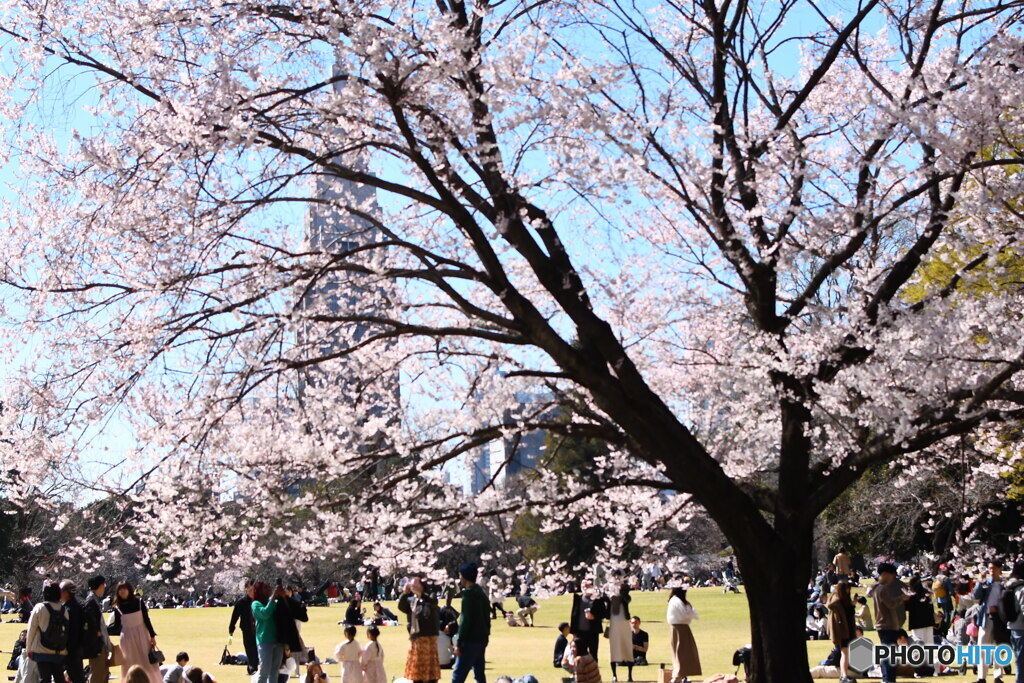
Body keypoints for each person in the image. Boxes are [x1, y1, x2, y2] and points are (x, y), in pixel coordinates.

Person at [109, 581, 162, 683]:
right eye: (120, 589)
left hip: (142, 635)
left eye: (124, 589)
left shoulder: (139, 602)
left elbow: (146, 619)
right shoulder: (117, 607)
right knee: (129, 662)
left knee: (147, 662)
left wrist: (152, 636)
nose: (122, 591)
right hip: (127, 639)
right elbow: (116, 627)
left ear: (129, 590)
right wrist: (103, 630)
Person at [867, 563, 907, 683]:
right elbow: (890, 603)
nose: (891, 579)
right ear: (884, 574)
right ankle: (888, 679)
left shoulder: (877, 587)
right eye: (891, 576)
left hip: (884, 625)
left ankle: (887, 678)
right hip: (886, 625)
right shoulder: (882, 588)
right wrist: (902, 598)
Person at [397, 576, 440, 683]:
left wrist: (421, 596)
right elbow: (401, 607)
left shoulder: (429, 596)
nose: (413, 586)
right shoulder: (410, 599)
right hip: (415, 637)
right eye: (412, 584)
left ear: (422, 586)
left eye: (415, 584)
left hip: (428, 636)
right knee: (416, 669)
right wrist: (405, 593)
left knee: (429, 668)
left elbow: (433, 604)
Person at [452, 562, 489, 683]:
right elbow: (486, 618)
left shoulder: (468, 596)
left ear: (465, 577)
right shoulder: (481, 594)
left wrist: (459, 641)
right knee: (479, 674)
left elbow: (465, 621)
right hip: (481, 639)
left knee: (458, 675)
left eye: (460, 575)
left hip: (469, 641)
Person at [975, 559, 1010, 683]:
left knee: (999, 647)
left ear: (1000, 569)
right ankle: (981, 677)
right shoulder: (986, 583)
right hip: (986, 617)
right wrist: (981, 580)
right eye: (989, 568)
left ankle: (997, 676)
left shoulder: (1004, 584)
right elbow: (976, 596)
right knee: (982, 647)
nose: (991, 571)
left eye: (993, 568)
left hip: (1000, 619)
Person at [25, 582, 68, 683]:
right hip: (59, 650)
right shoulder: (64, 609)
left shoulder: (40, 607)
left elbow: (31, 629)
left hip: (42, 650)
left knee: (45, 678)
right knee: (59, 678)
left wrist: (29, 648)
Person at [251, 582, 285, 683]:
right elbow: (265, 614)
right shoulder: (256, 604)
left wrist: (283, 597)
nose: (269, 589)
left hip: (278, 640)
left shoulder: (274, 601)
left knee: (274, 672)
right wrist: (273, 597)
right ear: (259, 591)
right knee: (264, 671)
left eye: (269, 587)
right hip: (265, 640)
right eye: (265, 588)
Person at [665, 587, 701, 683]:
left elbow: (689, 615)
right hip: (678, 628)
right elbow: (685, 616)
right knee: (680, 653)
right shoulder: (675, 600)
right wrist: (690, 610)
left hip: (683, 627)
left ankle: (681, 675)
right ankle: (678, 676)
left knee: (684, 653)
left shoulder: (680, 601)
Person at [569, 579, 608, 663]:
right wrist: (573, 632)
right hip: (579, 632)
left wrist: (594, 617)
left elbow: (604, 613)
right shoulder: (578, 599)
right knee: (579, 655)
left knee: (593, 654)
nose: (584, 587)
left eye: (587, 585)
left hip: (592, 632)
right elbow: (573, 615)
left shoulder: (597, 599)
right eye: (583, 585)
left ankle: (594, 674)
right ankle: (579, 674)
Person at [83, 576, 112, 683]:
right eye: (103, 585)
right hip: (96, 645)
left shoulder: (93, 599)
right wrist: (97, 633)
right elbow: (89, 620)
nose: (105, 587)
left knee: (103, 673)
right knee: (97, 673)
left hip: (100, 643)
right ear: (100, 585)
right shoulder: (91, 601)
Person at [826, 581, 856, 683]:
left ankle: (844, 674)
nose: (848, 591)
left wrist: (853, 604)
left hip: (847, 629)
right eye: (847, 589)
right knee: (845, 653)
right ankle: (844, 675)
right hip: (843, 631)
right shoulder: (838, 602)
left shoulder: (843, 600)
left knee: (845, 653)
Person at [229, 582, 260, 675]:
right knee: (249, 649)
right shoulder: (242, 602)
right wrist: (231, 628)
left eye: (253, 590)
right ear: (246, 590)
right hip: (246, 629)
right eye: (249, 590)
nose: (252, 592)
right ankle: (252, 668)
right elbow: (235, 616)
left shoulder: (259, 601)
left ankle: (254, 667)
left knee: (257, 649)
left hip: (259, 629)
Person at [60, 581, 86, 683]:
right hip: (75, 649)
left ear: (66, 592)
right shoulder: (74, 606)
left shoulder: (70, 609)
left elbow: (73, 631)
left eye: (60, 591)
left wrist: (68, 647)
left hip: (72, 650)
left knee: (77, 678)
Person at [606, 583, 632, 683]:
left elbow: (627, 598)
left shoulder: (625, 596)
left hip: (624, 623)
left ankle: (630, 675)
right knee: (614, 649)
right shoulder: (610, 596)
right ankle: (614, 675)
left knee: (627, 648)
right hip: (614, 623)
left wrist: (619, 592)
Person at [906, 575, 935, 645]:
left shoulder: (911, 596)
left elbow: (907, 607)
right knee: (929, 644)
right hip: (928, 621)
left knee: (918, 644)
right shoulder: (927, 593)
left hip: (917, 623)